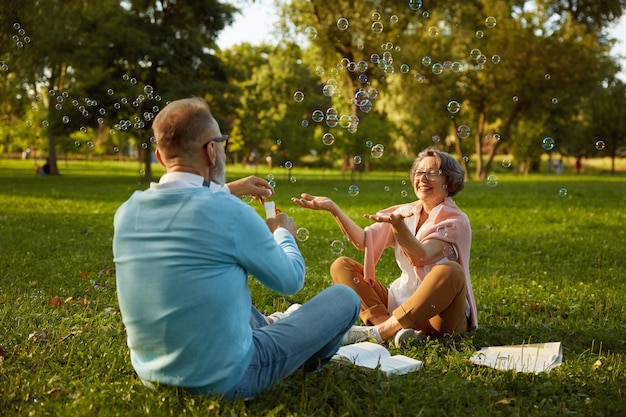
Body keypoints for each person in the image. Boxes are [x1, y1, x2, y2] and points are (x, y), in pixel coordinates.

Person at [113, 97, 359, 401]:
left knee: (209, 290)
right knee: (345, 297)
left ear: (161, 158)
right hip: (229, 378)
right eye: (221, 142)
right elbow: (290, 280)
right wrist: (283, 233)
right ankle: (299, 357)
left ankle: (270, 327)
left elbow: (185, 203)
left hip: (153, 375)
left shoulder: (127, 211)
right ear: (211, 150)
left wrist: (228, 188)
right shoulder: (228, 212)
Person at [292, 146, 477, 347]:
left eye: (432, 173)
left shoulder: (455, 221)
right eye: (419, 172)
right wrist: (333, 208)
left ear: (449, 182)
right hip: (400, 304)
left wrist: (398, 227)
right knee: (341, 265)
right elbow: (362, 241)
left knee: (450, 271)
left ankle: (384, 331)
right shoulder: (406, 212)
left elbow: (421, 256)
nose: (423, 178)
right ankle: (387, 330)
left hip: (441, 317)